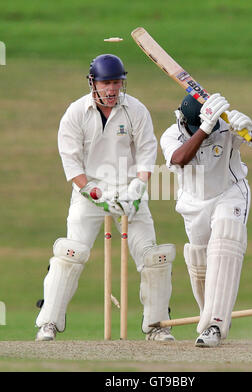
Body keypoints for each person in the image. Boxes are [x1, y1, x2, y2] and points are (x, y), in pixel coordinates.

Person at [35, 54, 176, 342]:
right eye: (106, 83)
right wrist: (96, 194)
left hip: (129, 192)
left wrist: (138, 187)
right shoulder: (75, 113)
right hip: (90, 193)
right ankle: (48, 323)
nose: (112, 89)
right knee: (70, 253)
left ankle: (158, 326)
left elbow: (148, 151)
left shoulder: (136, 109)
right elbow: (71, 163)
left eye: (117, 82)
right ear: (93, 83)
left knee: (155, 257)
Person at [160, 93, 252, 347]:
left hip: (229, 192)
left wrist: (248, 130)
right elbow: (178, 160)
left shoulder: (225, 125)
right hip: (193, 203)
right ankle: (209, 315)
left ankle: (215, 324)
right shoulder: (171, 134)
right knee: (200, 261)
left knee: (225, 241)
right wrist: (204, 128)